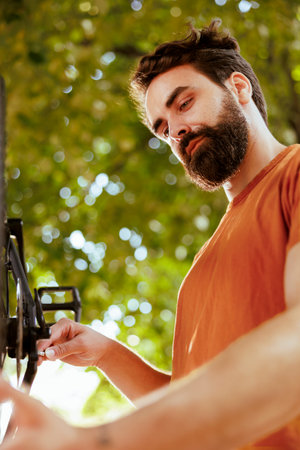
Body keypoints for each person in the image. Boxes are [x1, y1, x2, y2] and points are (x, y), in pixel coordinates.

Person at [1, 18, 300, 449]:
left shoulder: (292, 177)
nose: (174, 131)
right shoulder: (202, 268)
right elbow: (194, 409)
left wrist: (97, 441)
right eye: (161, 127)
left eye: (184, 103)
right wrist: (107, 354)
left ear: (238, 88)